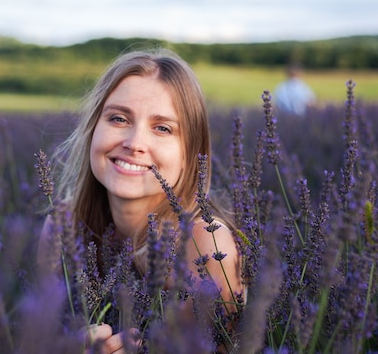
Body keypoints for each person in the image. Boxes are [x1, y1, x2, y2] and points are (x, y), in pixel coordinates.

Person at [37, 49, 244, 353]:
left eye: (162, 128)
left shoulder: (204, 245)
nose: (134, 143)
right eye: (118, 118)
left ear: (189, 153)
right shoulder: (60, 227)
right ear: (93, 128)